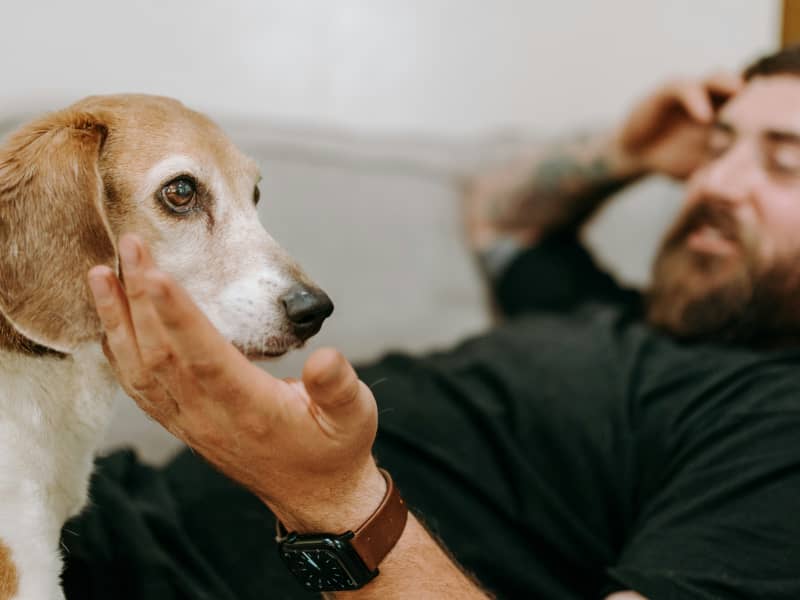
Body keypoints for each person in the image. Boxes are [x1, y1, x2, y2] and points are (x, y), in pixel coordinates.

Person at [64, 45, 800, 599]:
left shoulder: (778, 430)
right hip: (88, 517)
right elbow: (500, 215)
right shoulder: (619, 317)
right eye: (720, 145)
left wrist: (331, 501)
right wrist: (627, 152)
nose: (716, 182)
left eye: (784, 162)